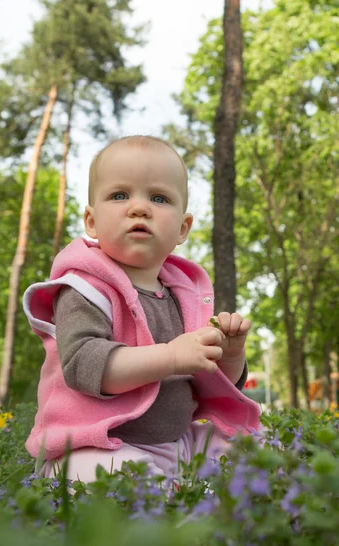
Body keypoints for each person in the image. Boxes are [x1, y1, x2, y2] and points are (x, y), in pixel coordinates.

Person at [23, 135, 261, 485]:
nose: (139, 208)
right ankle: (171, 502)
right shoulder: (84, 286)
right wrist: (171, 357)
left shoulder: (184, 293)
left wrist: (230, 355)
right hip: (94, 444)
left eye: (159, 198)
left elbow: (208, 378)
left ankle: (193, 492)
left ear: (182, 228)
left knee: (253, 450)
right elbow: (83, 365)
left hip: (177, 442)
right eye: (120, 195)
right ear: (91, 221)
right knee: (120, 480)